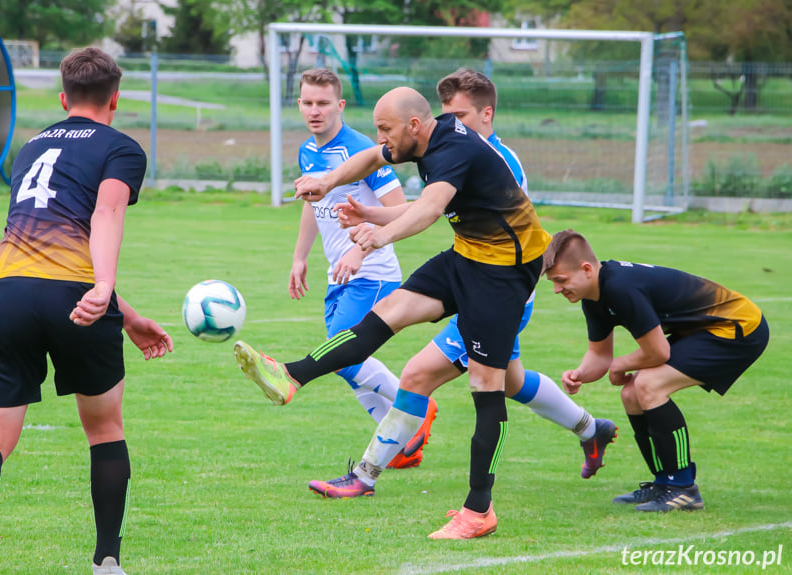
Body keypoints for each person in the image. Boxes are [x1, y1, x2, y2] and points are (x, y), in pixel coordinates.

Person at [235, 85, 551, 539]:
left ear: (414, 126)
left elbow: (428, 209)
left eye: (386, 129)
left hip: (505, 275)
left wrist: (378, 235)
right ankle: (291, 375)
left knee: (488, 386)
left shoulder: (453, 150)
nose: (381, 138)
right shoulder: (415, 138)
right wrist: (327, 182)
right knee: (387, 312)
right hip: (469, 256)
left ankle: (480, 509)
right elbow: (368, 159)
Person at [305, 69, 617, 503]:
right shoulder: (451, 142)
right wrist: (372, 216)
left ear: (486, 114)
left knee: (417, 375)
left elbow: (461, 216)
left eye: (461, 113)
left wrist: (373, 237)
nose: (451, 120)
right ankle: (591, 428)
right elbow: (433, 201)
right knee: (511, 380)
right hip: (476, 275)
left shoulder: (495, 159)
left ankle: (365, 475)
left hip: (498, 290)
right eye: (447, 112)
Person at [0, 48, 173, 575]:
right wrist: (106, 288)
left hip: (5, 289)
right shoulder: (122, 147)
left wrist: (125, 312)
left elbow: (44, 244)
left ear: (63, 99)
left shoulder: (31, 147)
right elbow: (105, 213)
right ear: (115, 99)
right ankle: (107, 561)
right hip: (77, 298)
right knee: (105, 429)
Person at [543, 229, 769, 512]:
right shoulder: (593, 295)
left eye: (560, 280)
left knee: (649, 384)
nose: (556, 289)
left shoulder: (619, 287)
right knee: (631, 393)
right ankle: (664, 483)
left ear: (587, 269)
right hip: (703, 329)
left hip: (738, 327)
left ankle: (683, 488)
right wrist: (579, 373)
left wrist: (620, 365)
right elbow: (599, 355)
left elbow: (657, 352)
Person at [282, 68, 436, 469]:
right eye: (308, 103)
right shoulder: (306, 150)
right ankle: (401, 443)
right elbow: (313, 205)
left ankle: (417, 411)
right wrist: (300, 256)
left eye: (323, 103)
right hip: (340, 272)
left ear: (340, 106)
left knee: (343, 355)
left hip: (373, 270)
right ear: (299, 104)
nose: (315, 111)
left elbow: (400, 207)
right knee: (343, 361)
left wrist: (362, 250)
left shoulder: (364, 150)